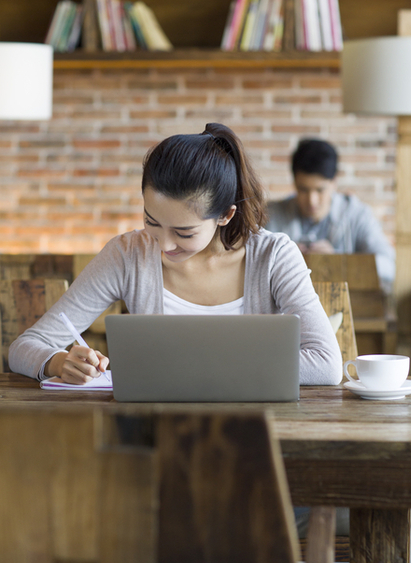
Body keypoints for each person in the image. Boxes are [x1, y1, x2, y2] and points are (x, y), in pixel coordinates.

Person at [9, 123, 342, 387]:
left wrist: (195, 370)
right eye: (151, 221)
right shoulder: (127, 254)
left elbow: (326, 365)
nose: (163, 245)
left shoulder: (274, 255)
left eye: (184, 232)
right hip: (150, 431)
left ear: (224, 215)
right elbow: (25, 347)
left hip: (259, 428)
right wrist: (58, 362)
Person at [266, 138, 396, 291]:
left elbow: (389, 268)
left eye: (320, 190)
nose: (312, 201)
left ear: (334, 182)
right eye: (303, 190)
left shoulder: (357, 215)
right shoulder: (271, 215)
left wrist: (337, 262)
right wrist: (285, 259)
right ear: (294, 182)